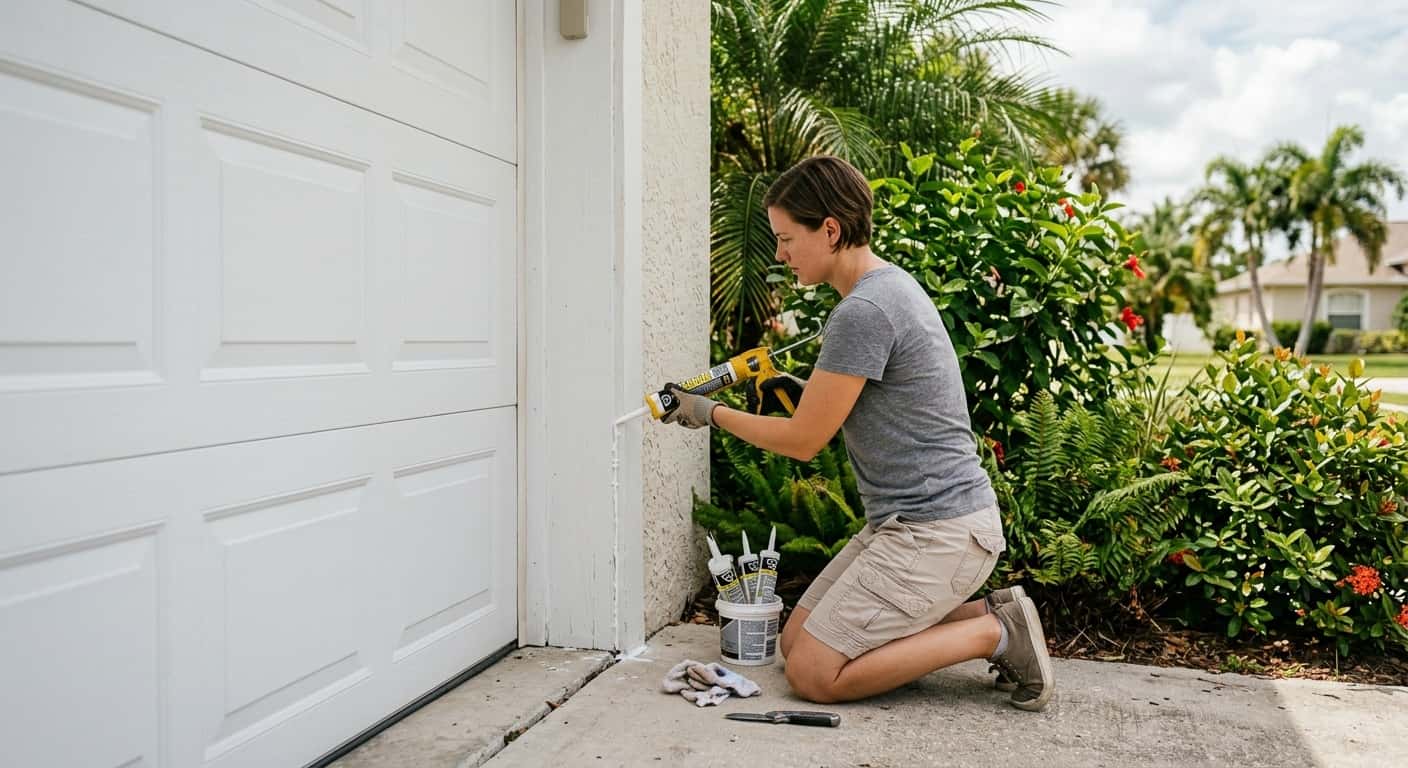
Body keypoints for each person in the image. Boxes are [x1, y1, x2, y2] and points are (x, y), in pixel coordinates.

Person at [662, 156, 1054, 710]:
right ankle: (992, 614)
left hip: (938, 532)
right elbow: (863, 400)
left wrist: (710, 414)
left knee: (816, 677)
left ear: (829, 229)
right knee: (793, 645)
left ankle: (995, 634)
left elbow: (803, 442)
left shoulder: (864, 311)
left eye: (785, 238)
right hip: (908, 525)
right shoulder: (885, 289)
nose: (779, 254)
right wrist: (802, 389)